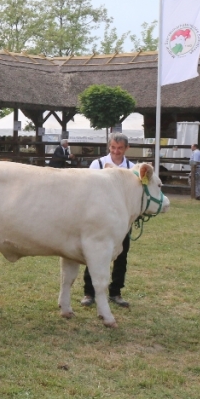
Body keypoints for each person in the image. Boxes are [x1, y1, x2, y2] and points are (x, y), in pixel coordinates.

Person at [80, 132, 134, 310]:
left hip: (121, 220)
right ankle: (89, 292)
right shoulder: (98, 164)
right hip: (99, 219)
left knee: (121, 255)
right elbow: (87, 189)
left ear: (126, 148)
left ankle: (116, 292)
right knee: (94, 254)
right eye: (113, 147)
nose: (116, 151)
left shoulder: (132, 168)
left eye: (119, 148)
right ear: (108, 147)